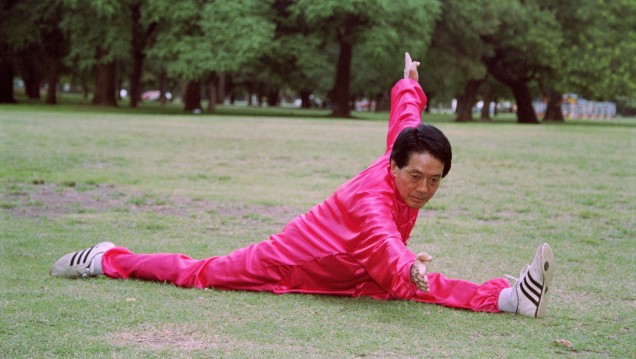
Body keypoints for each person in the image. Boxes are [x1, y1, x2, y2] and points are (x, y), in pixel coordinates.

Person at [50, 53, 554, 318]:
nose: (423, 188)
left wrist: (408, 81)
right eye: (415, 177)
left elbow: (407, 115)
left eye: (435, 181)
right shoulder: (372, 202)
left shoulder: (405, 149)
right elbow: (383, 239)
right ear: (395, 166)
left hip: (356, 268)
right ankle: (107, 257)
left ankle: (511, 298)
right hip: (295, 258)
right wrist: (408, 264)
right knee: (200, 273)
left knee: (407, 286)